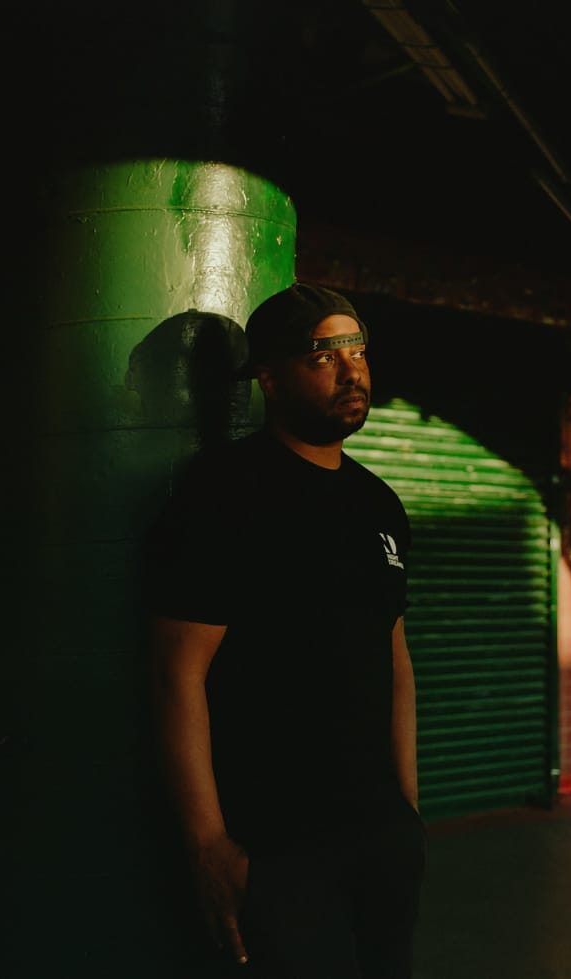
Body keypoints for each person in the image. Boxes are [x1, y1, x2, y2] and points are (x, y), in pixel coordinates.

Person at [146, 283, 425, 978]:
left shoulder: (379, 504)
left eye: (358, 351)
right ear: (269, 378)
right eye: (324, 356)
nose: (352, 371)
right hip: (278, 847)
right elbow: (177, 672)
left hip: (382, 839)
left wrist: (408, 811)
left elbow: (394, 658)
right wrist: (208, 843)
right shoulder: (227, 492)